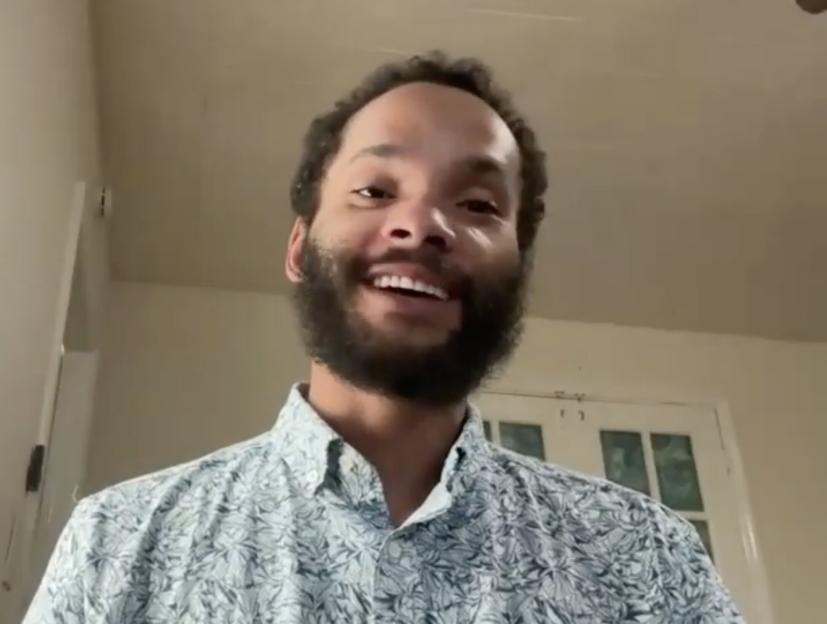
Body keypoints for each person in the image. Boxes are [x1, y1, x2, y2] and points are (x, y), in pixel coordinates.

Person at [25, 52, 743, 623]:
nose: (423, 223)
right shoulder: (117, 543)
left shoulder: (647, 557)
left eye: (477, 203)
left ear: (516, 269)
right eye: (374, 191)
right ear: (300, 249)